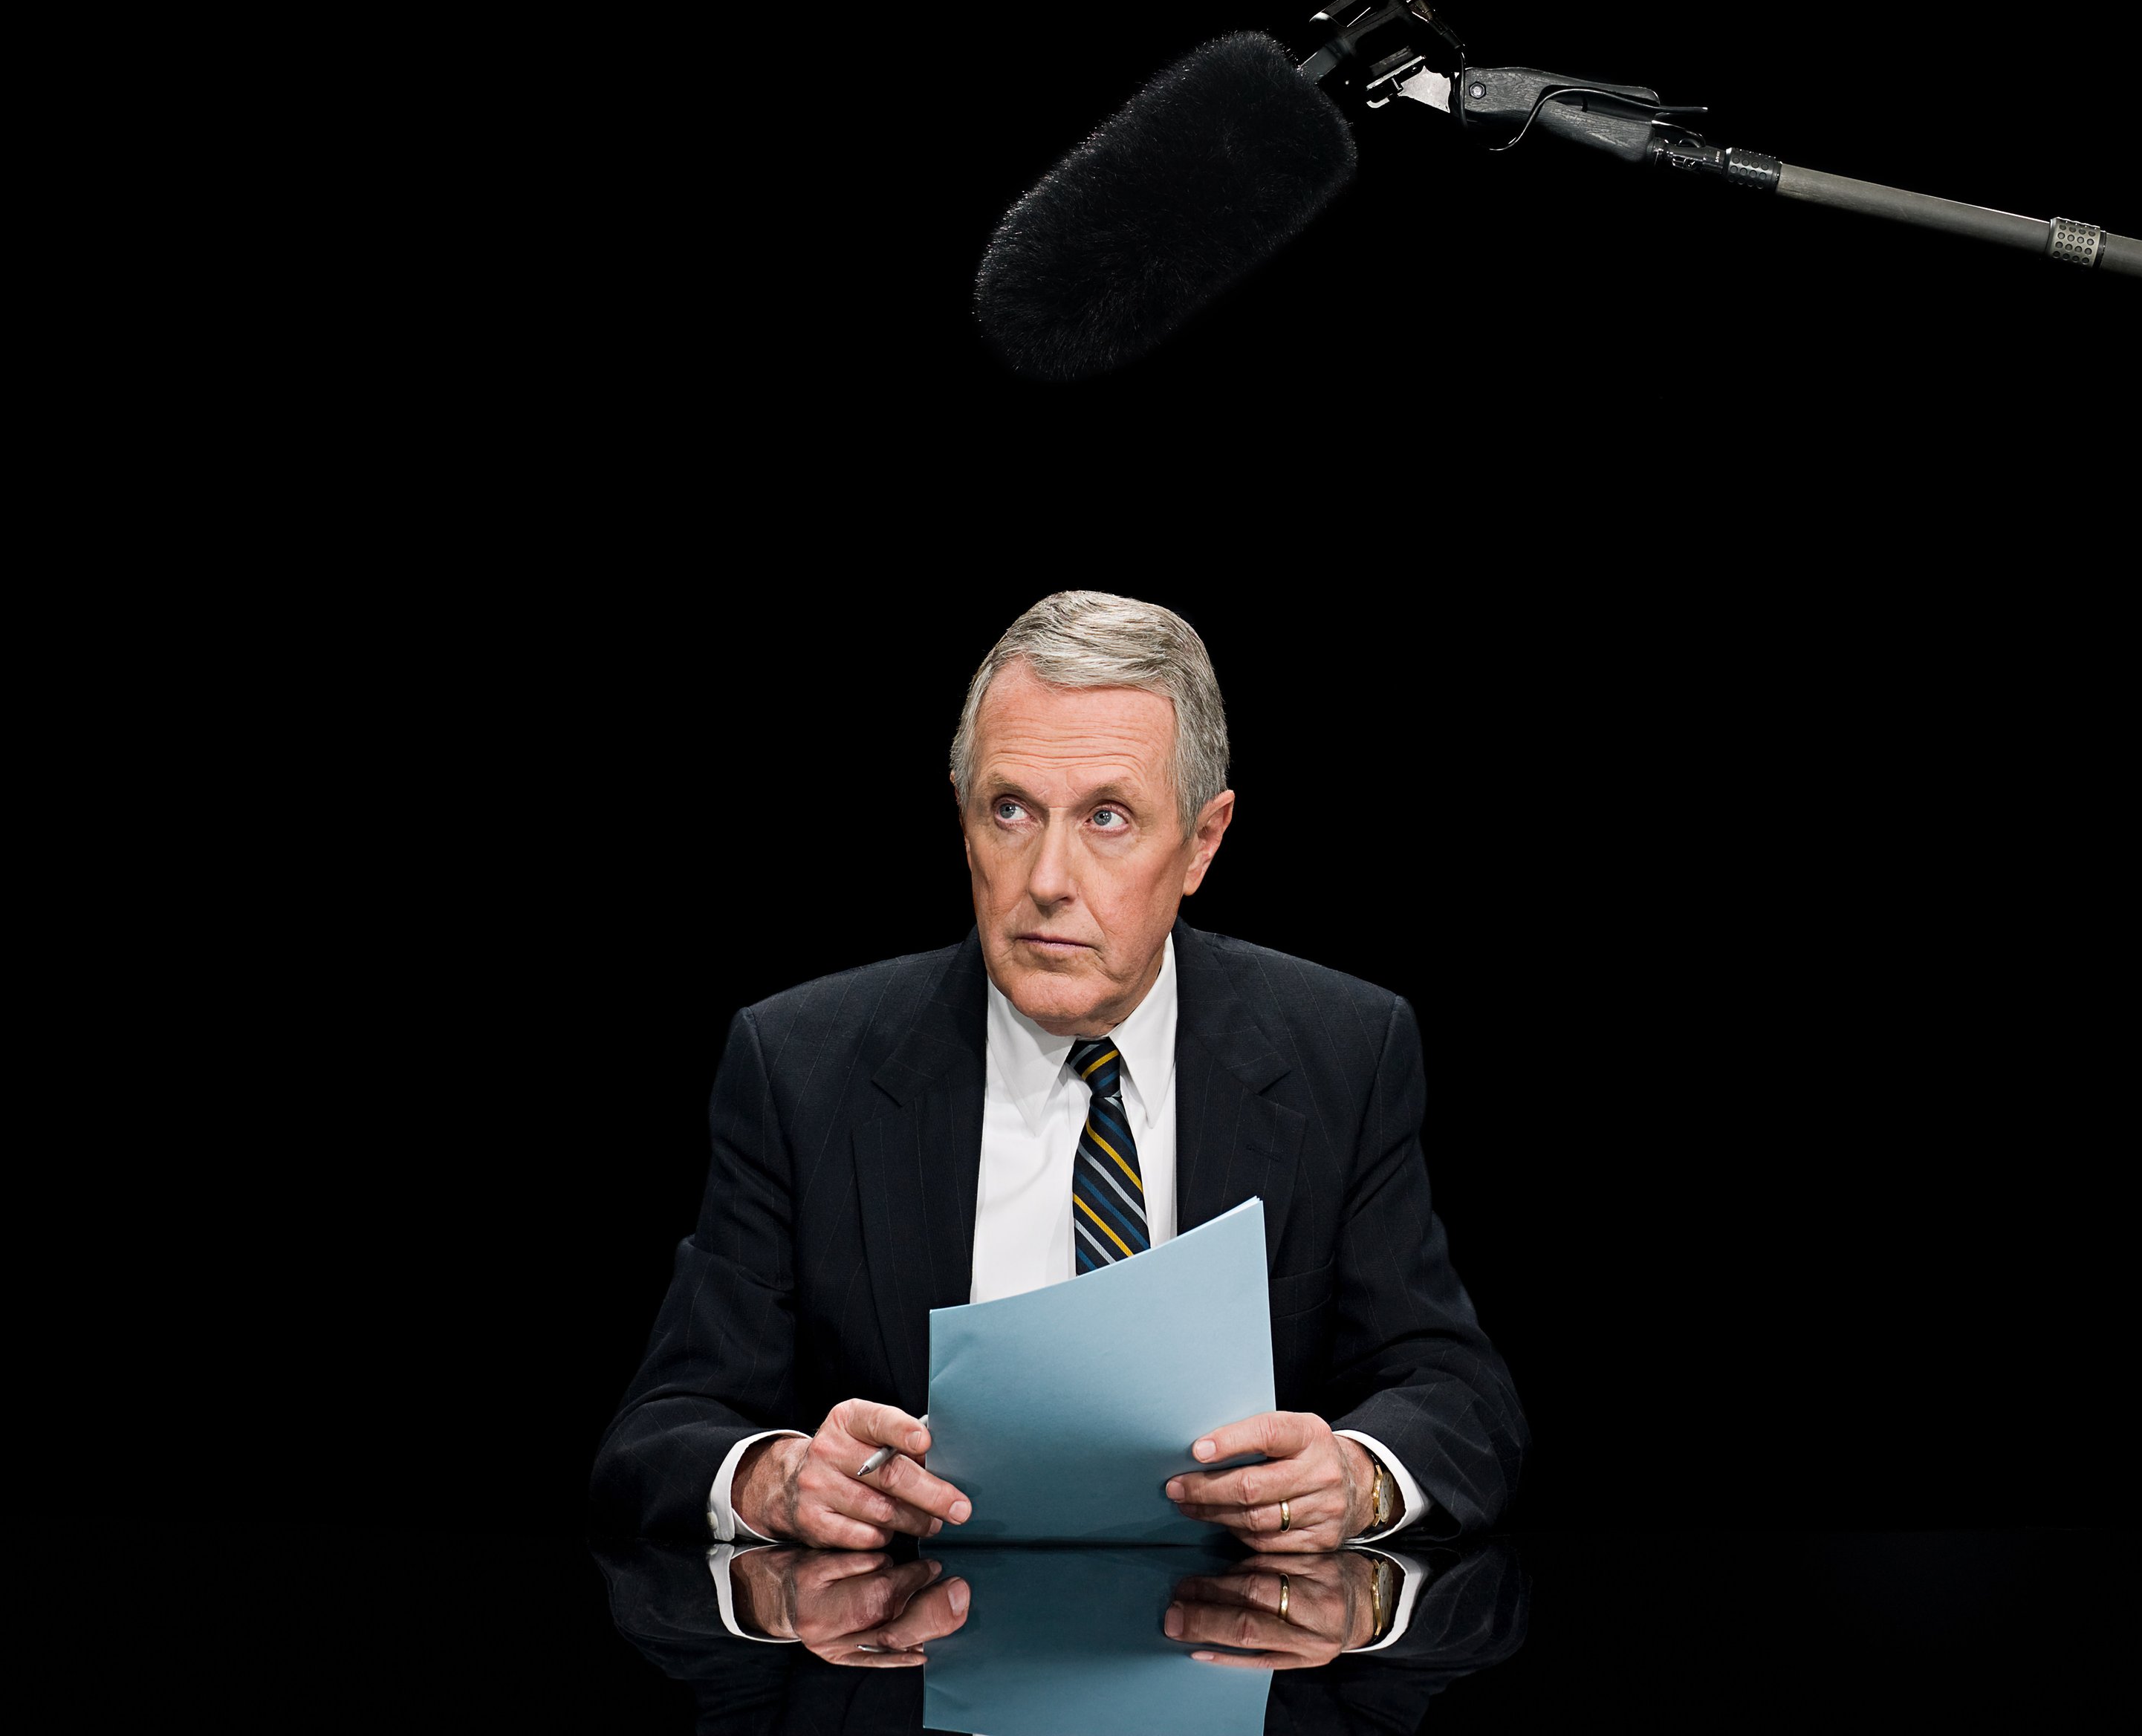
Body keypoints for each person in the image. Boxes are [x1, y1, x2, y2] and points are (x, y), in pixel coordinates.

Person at [591, 590, 1525, 1586]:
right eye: (1011, 811)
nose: (1047, 877)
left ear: (1203, 843)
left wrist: (1360, 1478)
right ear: (963, 824)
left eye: (1108, 819)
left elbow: (1455, 1395)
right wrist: (773, 1481)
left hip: (1243, 1670)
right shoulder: (801, 1067)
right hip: (900, 1676)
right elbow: (659, 1435)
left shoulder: (1344, 1052)